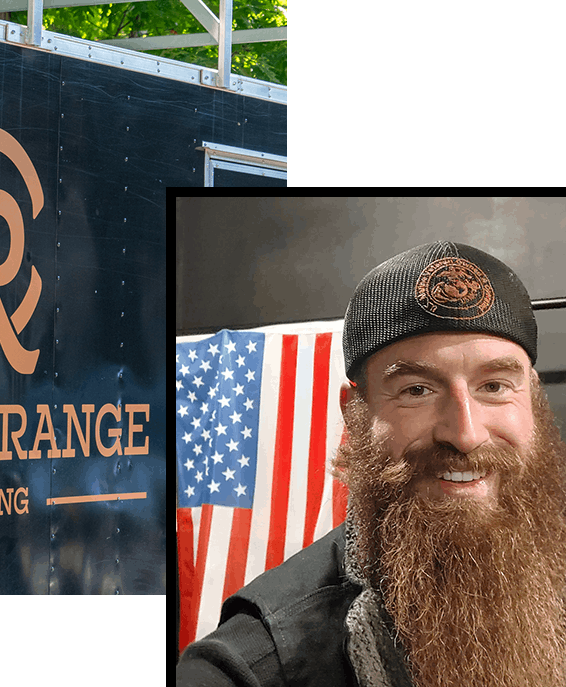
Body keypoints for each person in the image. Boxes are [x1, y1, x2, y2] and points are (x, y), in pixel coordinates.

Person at [176, 241, 566, 687]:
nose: (465, 433)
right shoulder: (254, 666)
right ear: (355, 414)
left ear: (532, 396)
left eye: (495, 386)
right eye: (417, 390)